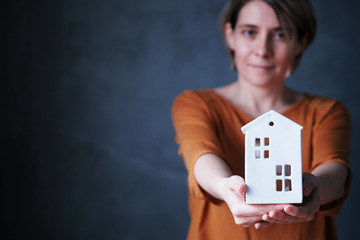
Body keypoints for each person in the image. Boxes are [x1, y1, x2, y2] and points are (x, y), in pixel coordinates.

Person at [171, 0, 352, 239]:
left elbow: (334, 169)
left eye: (279, 35)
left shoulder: (326, 111)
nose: (262, 50)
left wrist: (315, 187)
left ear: (301, 41)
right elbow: (201, 155)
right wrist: (225, 187)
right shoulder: (196, 104)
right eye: (250, 32)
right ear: (231, 35)